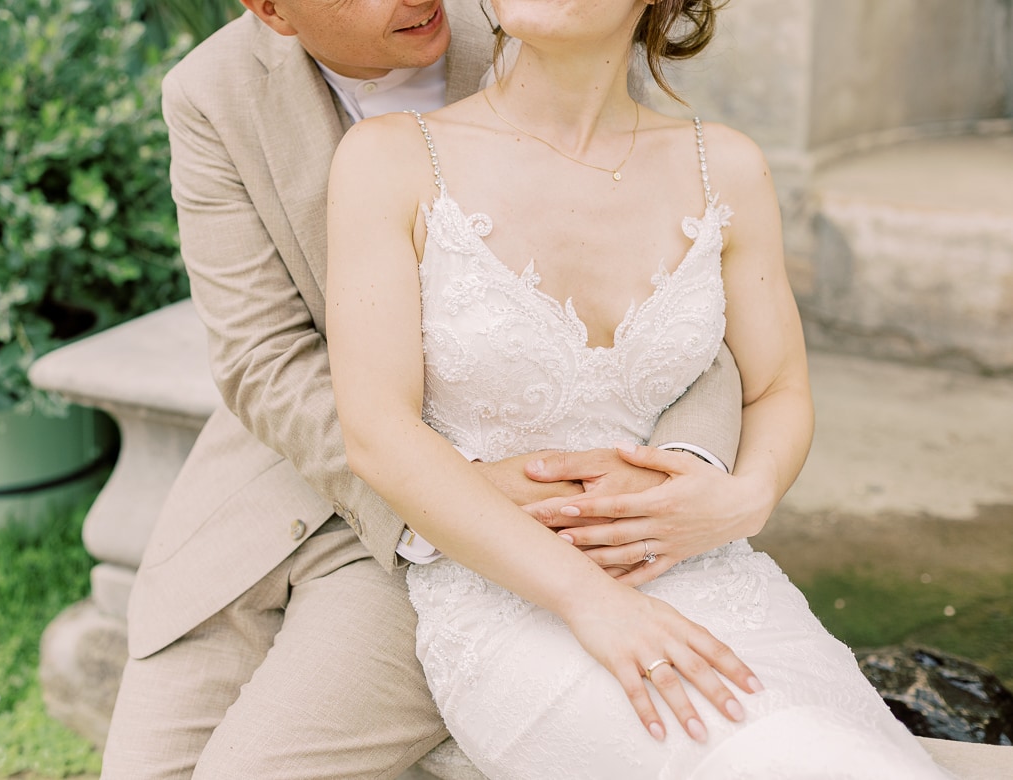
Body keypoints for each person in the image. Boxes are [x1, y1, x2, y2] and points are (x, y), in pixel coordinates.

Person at [102, 2, 767, 777]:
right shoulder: (211, 90)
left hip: (494, 518)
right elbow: (262, 356)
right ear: (272, 11)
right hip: (281, 488)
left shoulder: (534, 25)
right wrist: (436, 480)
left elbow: (672, 281)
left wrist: (688, 474)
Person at [325, 0, 951, 777]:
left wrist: (744, 497)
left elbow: (779, 387)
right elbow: (378, 435)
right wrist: (594, 603)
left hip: (716, 577)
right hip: (512, 601)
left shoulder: (723, 166)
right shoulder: (389, 160)